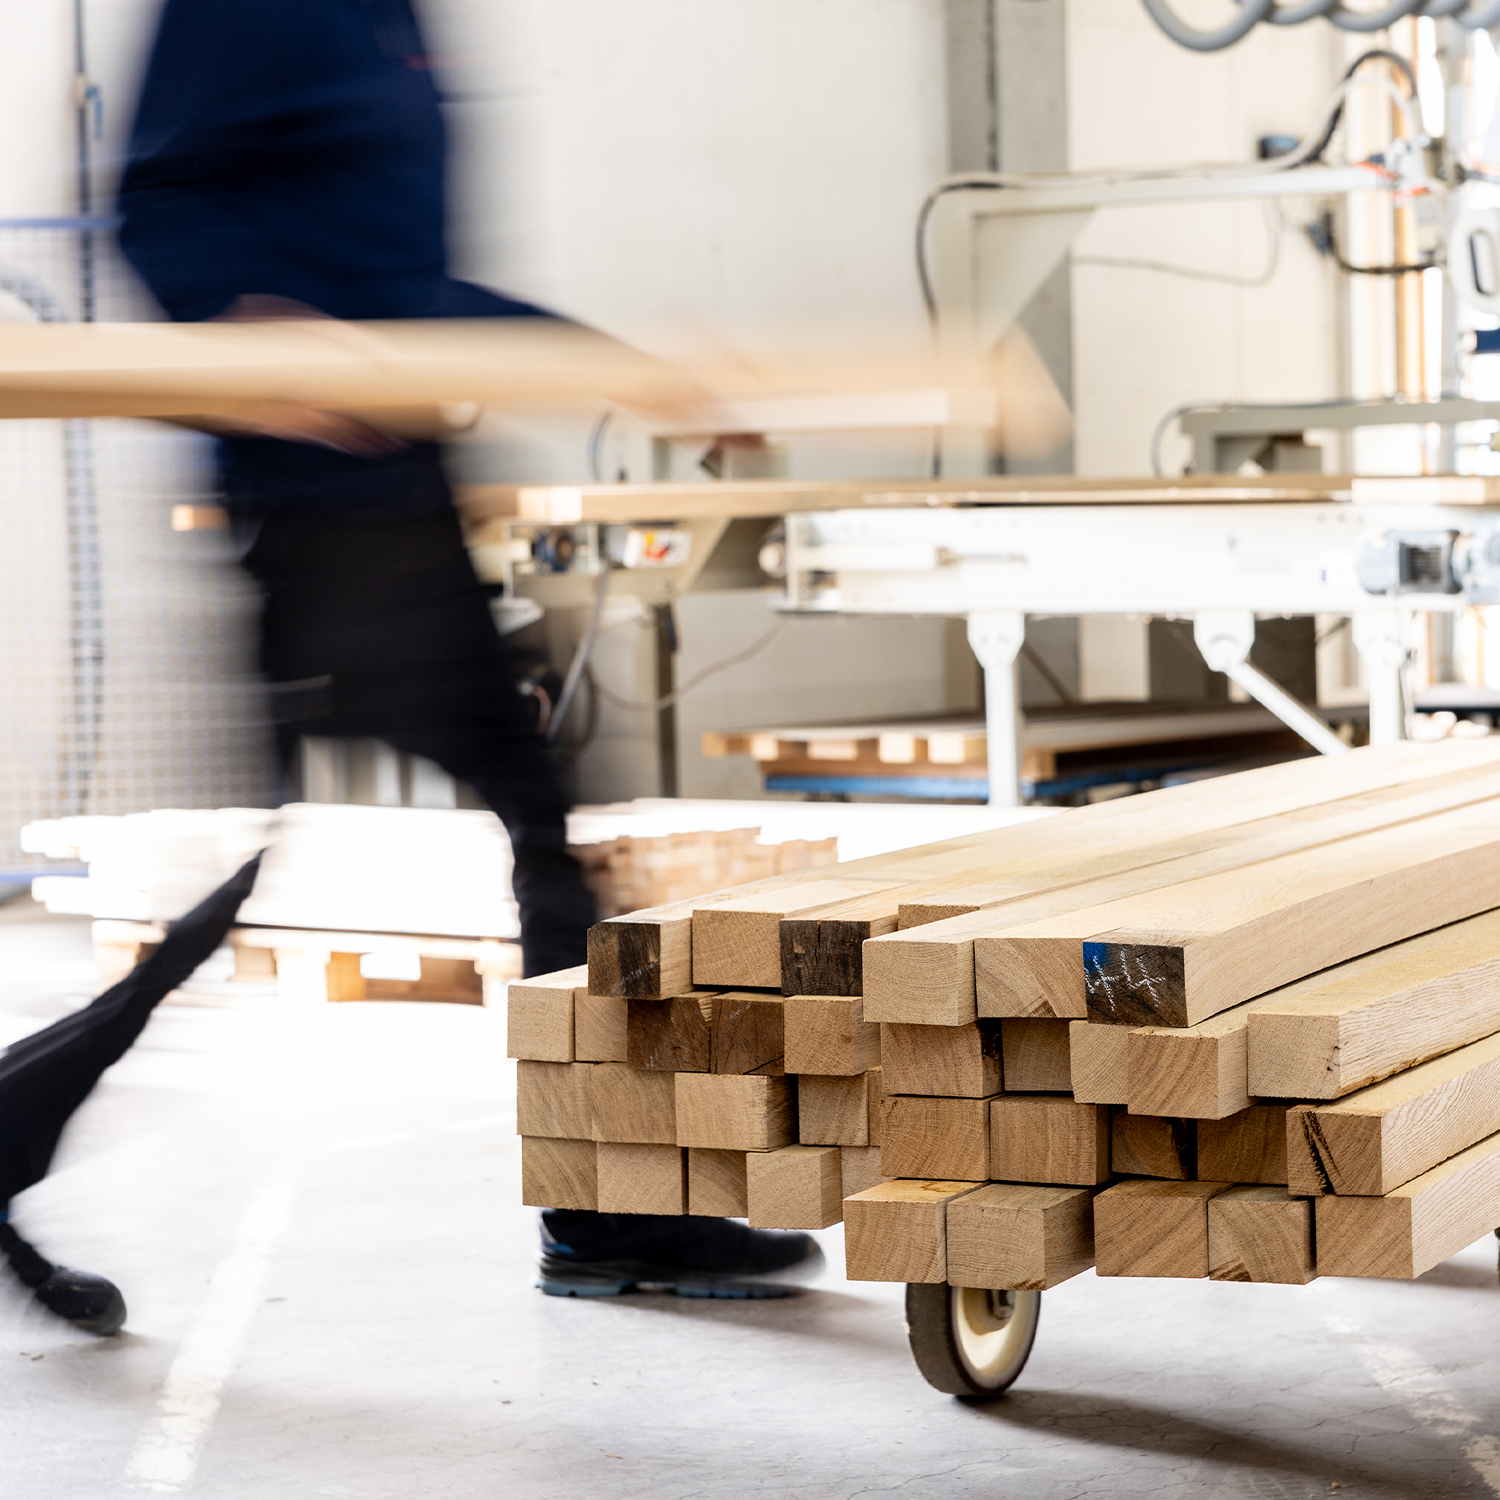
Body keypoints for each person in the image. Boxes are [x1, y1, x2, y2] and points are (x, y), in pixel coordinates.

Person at [0, 0, 819, 1330]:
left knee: (411, 849)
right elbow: (158, 204)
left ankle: (607, 1204)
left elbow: (413, 294)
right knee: (499, 839)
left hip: (397, 503)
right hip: (320, 517)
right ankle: (606, 1208)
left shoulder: (392, 20)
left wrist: (628, 371)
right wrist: (244, 331)